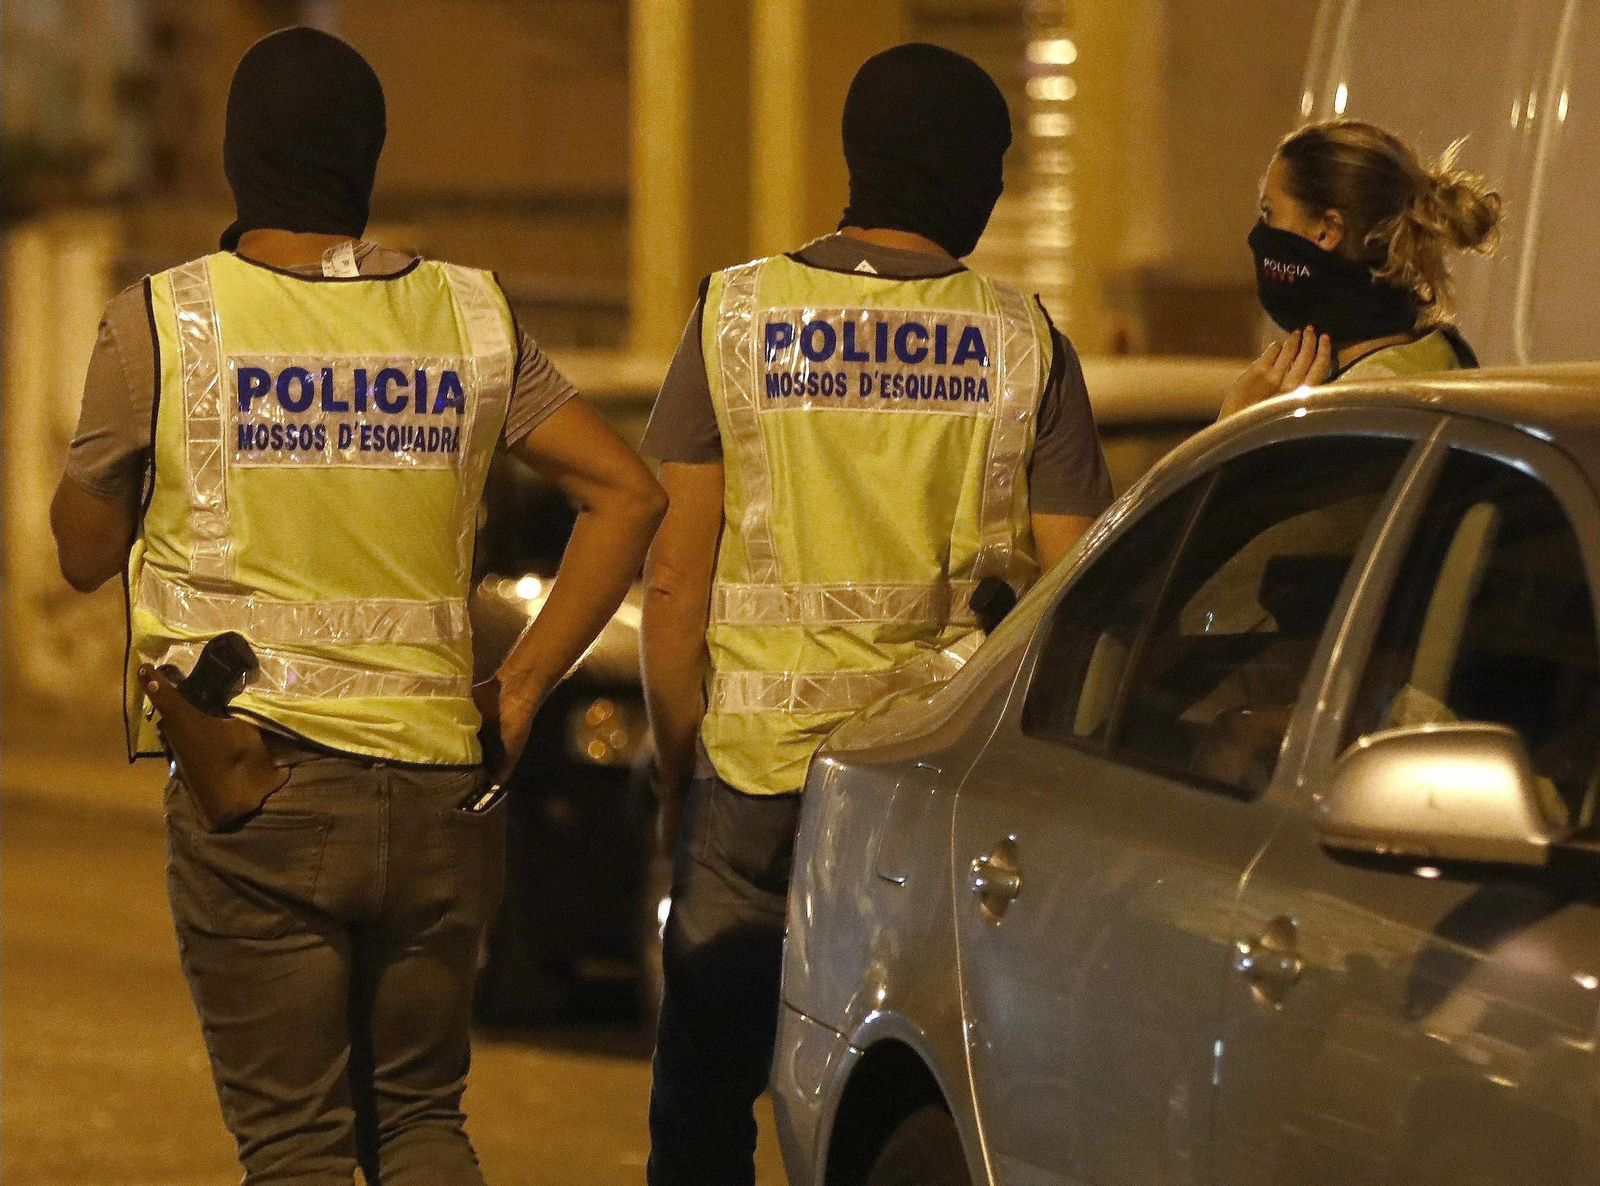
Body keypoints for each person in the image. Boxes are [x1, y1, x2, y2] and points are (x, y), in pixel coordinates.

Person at [49, 27, 664, 1185]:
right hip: (440, 795)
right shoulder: (470, 319)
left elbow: (82, 553)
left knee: (299, 1149)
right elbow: (626, 496)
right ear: (366, 164)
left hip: (257, 791)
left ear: (238, 162)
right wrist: (520, 687)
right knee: (424, 1122)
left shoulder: (167, 323)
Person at [638, 42, 1114, 1186]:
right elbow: (1080, 595)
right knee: (905, 1102)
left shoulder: (735, 314)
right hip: (931, 799)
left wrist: (676, 762)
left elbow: (670, 579)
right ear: (971, 175)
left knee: (706, 1107)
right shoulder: (1022, 343)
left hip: (754, 783)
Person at [1221, 118, 1502, 416]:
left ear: (1326, 231)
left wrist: (1237, 420)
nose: (1259, 235)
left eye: (1269, 213)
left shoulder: (1352, 407)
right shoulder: (1443, 351)